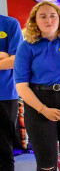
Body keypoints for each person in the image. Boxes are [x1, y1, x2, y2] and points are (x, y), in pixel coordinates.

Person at [14, 2, 60, 171]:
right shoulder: (26, 47)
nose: (49, 19)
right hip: (39, 104)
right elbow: (21, 86)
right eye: (43, 16)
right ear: (35, 21)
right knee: (47, 164)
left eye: (52, 15)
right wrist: (43, 109)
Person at [0, 14, 23, 171]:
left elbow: (17, 60)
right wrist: (3, 56)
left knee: (3, 149)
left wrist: (10, 58)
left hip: (5, 94)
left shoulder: (9, 24)